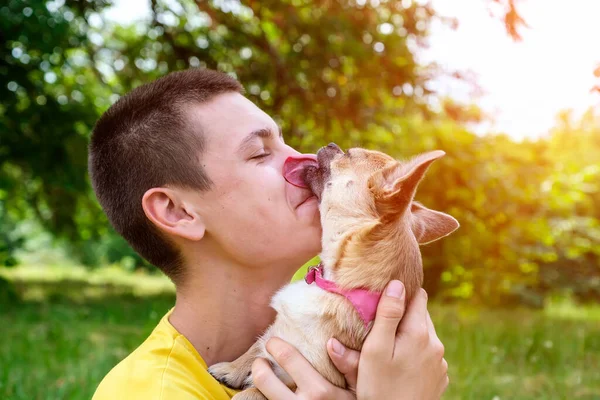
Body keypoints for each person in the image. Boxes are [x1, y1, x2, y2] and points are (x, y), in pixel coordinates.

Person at [89, 68, 449, 400]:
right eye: (260, 154)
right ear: (178, 211)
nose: (306, 159)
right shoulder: (151, 392)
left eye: (286, 142)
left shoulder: (366, 350)